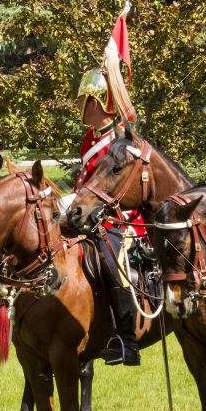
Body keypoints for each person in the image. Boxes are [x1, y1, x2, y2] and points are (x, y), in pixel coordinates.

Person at [63, 40, 143, 367]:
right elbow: (85, 182)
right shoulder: (90, 139)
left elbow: (126, 184)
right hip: (88, 212)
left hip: (118, 217)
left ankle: (127, 339)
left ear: (97, 103)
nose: (80, 105)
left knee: (110, 257)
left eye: (84, 100)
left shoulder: (121, 136)